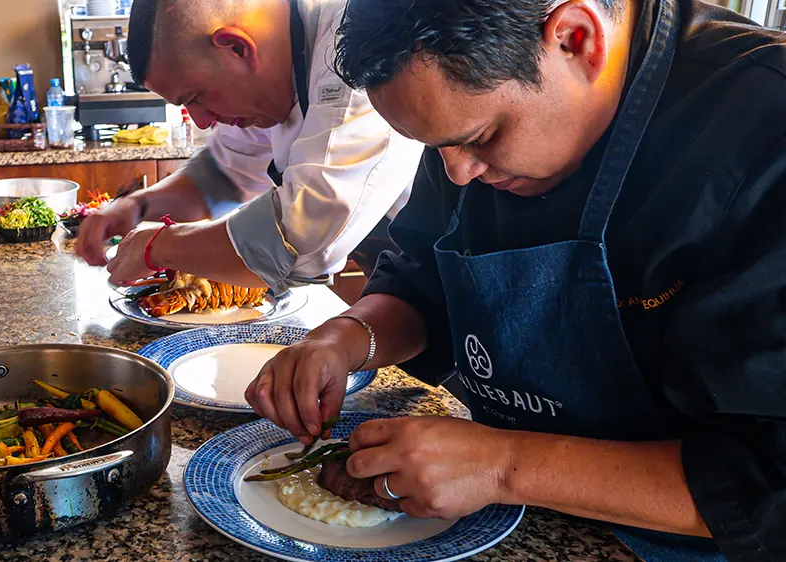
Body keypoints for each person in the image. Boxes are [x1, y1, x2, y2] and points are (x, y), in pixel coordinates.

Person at [245, 0, 786, 560]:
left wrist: (505, 465)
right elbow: (423, 276)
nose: (457, 172)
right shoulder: (465, 120)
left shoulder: (765, 129)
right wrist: (346, 336)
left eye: (480, 137)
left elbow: (768, 484)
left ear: (576, 39)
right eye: (436, 148)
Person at [75, 0, 424, 292]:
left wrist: (160, 247)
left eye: (196, 98)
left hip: (450, 272)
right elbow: (223, 176)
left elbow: (301, 242)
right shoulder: (270, 76)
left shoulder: (351, 50)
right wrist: (136, 206)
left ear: (237, 48)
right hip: (404, 286)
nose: (200, 121)